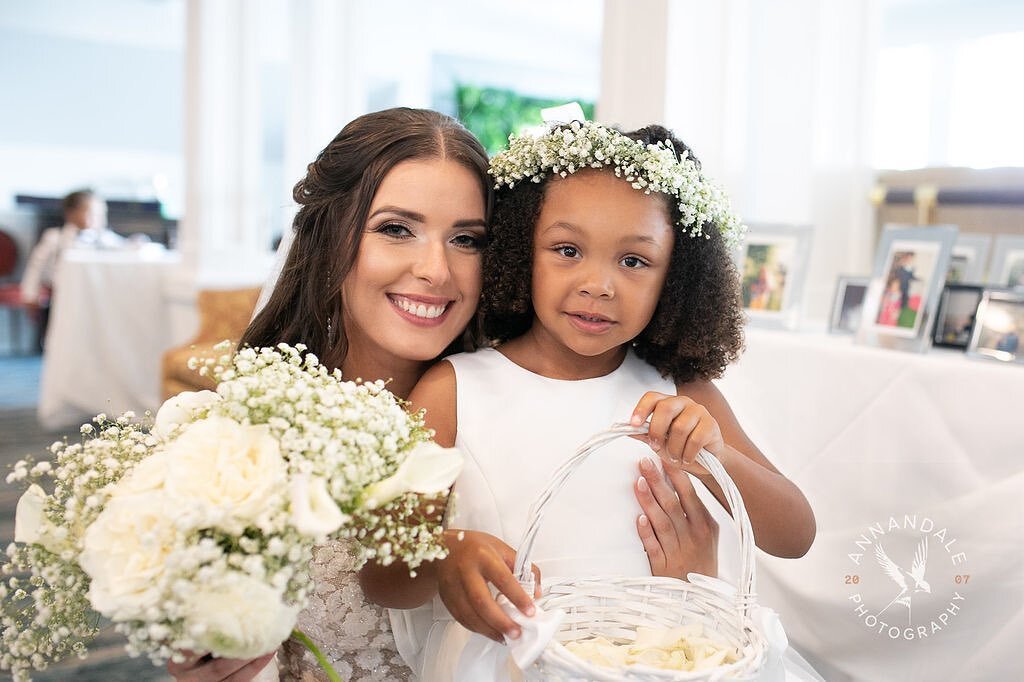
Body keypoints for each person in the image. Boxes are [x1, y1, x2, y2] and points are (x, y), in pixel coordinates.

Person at [166, 108, 706, 682]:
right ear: (329, 236)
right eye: (396, 228)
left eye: (467, 239)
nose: (436, 270)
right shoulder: (233, 437)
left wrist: (689, 584)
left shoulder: (515, 399)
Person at [381, 121, 817, 681]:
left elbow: (796, 533)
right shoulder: (453, 389)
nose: (599, 285)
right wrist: (444, 552)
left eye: (634, 261)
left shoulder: (680, 390)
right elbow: (382, 576)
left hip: (653, 659)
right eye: (567, 250)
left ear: (676, 277)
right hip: (506, 661)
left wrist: (716, 458)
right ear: (520, 251)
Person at [20, 189, 120, 351]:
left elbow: (123, 247)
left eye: (102, 214)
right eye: (93, 213)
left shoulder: (104, 238)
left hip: (91, 298)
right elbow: (35, 267)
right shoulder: (54, 237)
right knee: (57, 340)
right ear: (70, 214)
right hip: (60, 297)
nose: (99, 219)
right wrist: (30, 295)